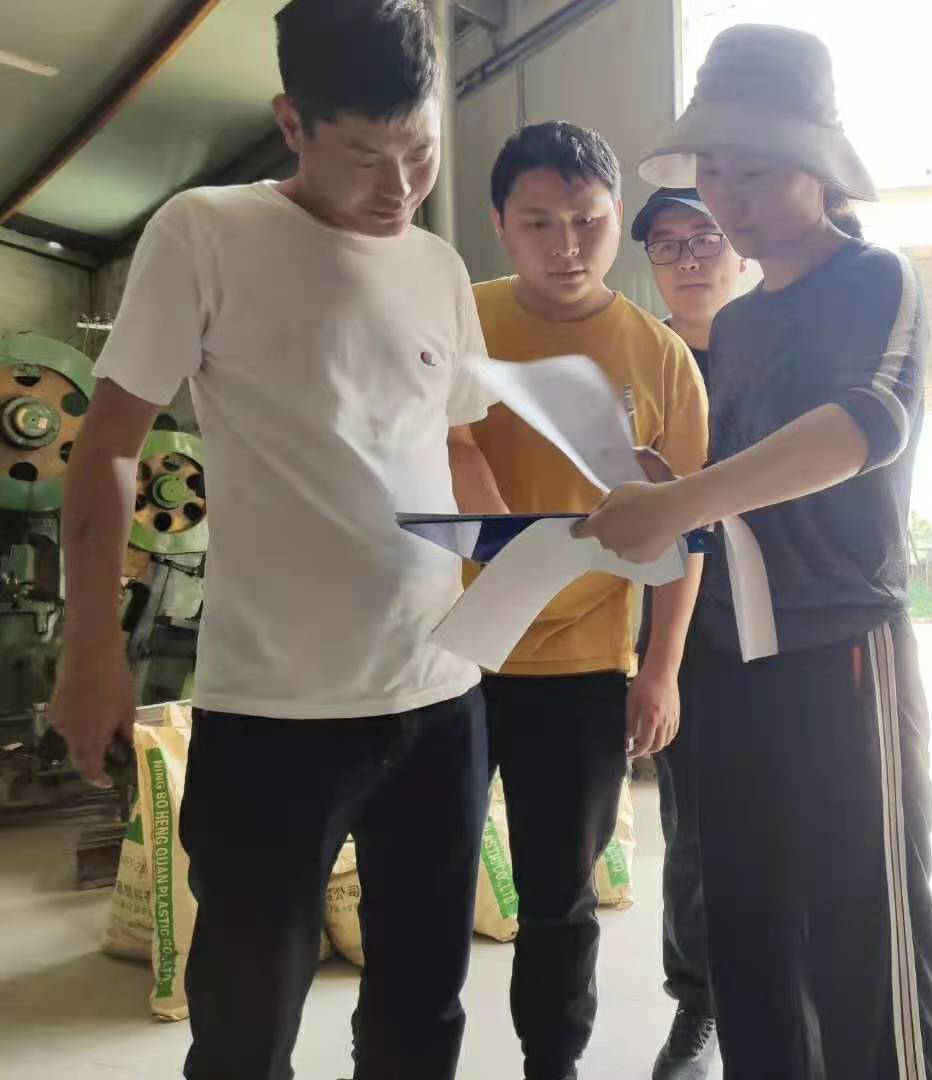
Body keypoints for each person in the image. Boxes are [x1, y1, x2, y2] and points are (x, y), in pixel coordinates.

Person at [46, 2, 506, 1077]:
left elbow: (457, 450)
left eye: (421, 151)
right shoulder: (206, 232)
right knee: (247, 1026)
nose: (400, 187)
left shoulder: (437, 267)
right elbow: (108, 448)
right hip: (275, 715)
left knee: (423, 1007)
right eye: (367, 157)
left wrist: (527, 565)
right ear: (291, 122)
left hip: (440, 700)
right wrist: (92, 651)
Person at [578, 25, 932, 1080]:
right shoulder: (736, 327)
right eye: (712, 170)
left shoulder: (876, 279)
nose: (727, 198)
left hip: (839, 649)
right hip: (725, 661)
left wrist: (684, 495)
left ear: (819, 167)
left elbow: (866, 425)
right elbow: (725, 492)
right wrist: (658, 486)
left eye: (753, 170)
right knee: (747, 931)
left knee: (862, 930)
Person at [469, 122, 708, 1080]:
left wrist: (660, 671)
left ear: (615, 221)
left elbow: (688, 533)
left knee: (558, 898)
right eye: (538, 222)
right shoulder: (460, 322)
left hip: (580, 667)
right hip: (448, 653)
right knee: (420, 880)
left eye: (588, 221)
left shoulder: (658, 357)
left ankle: (553, 1066)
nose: (566, 245)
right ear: (500, 223)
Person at [630, 186, 747, 1079]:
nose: (689, 259)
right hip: (678, 630)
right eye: (667, 246)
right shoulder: (637, 364)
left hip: (787, 627)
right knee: (695, 829)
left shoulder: (773, 356)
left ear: (738, 247)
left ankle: (788, 994)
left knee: (796, 817)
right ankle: (699, 1003)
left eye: (705, 238)